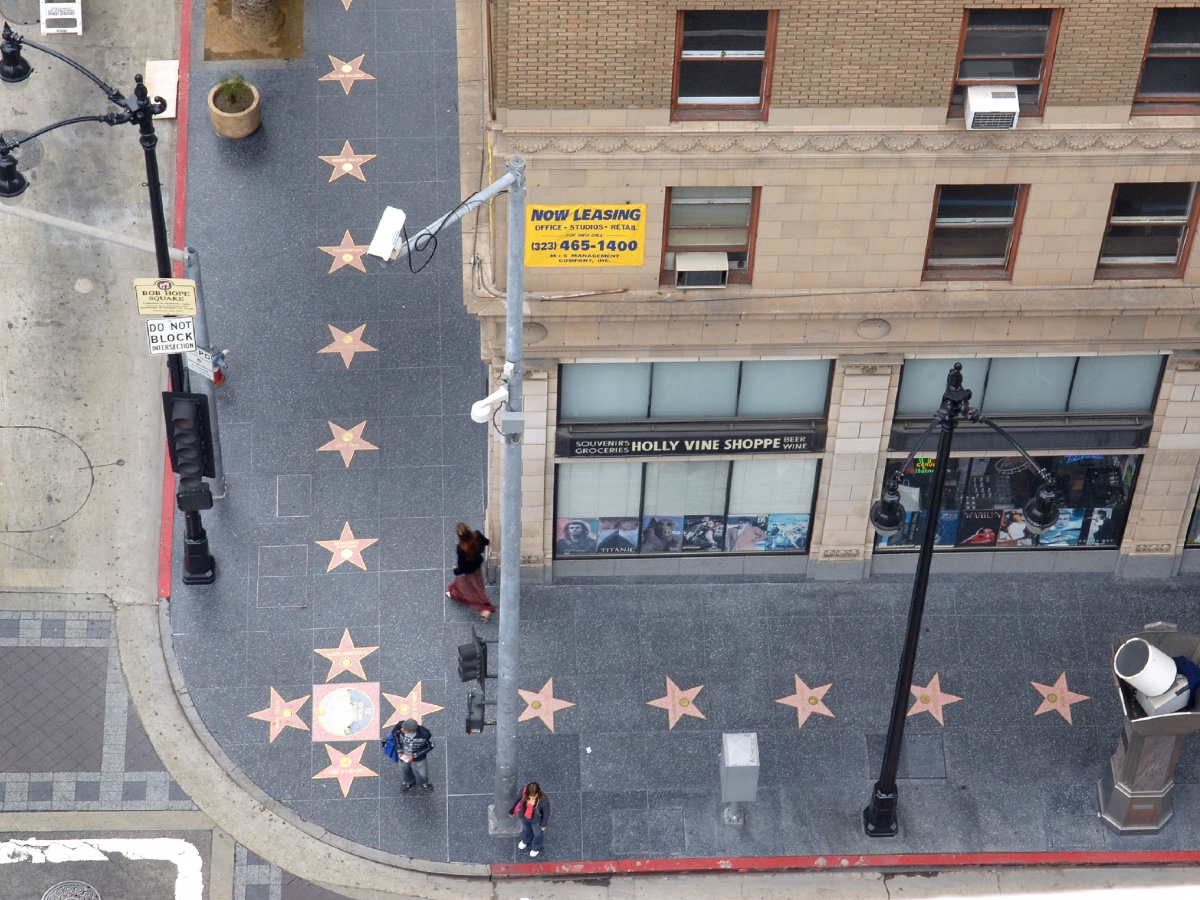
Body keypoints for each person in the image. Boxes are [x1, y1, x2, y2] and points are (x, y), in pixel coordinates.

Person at [447, 523, 497, 621]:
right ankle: (457, 594)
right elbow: (486, 542)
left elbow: (461, 567)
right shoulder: (477, 535)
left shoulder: (461, 549)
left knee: (471, 589)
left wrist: (455, 570)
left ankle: (485, 609)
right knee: (476, 586)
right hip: (476, 567)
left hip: (467, 572)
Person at [390, 719, 434, 792]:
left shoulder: (425, 734)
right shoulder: (399, 726)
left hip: (419, 756)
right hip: (404, 754)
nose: (401, 729)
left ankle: (424, 783)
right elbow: (395, 736)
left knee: (422, 772)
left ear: (411, 731)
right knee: (404, 769)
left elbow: (430, 745)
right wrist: (399, 750)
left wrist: (414, 755)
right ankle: (409, 781)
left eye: (404, 729)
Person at [509, 781, 549, 857]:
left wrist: (544, 824)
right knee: (526, 829)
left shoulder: (543, 799)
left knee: (537, 833)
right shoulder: (523, 791)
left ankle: (536, 847)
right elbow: (518, 800)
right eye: (530, 796)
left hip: (536, 820)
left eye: (535, 795)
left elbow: (546, 812)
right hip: (524, 816)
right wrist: (512, 810)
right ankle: (526, 840)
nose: (532, 797)